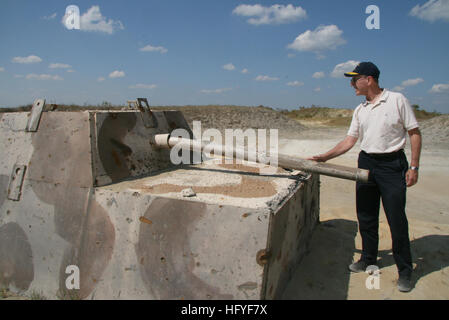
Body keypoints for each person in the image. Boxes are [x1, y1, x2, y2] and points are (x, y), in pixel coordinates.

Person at [308, 61, 422, 292]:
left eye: (354, 79)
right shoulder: (360, 110)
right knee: (366, 216)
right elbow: (350, 141)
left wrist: (414, 167)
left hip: (392, 165)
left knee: (396, 220)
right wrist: (325, 157)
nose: (351, 84)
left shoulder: (397, 100)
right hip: (367, 164)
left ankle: (405, 271)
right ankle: (368, 259)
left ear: (368, 79)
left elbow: (414, 133)